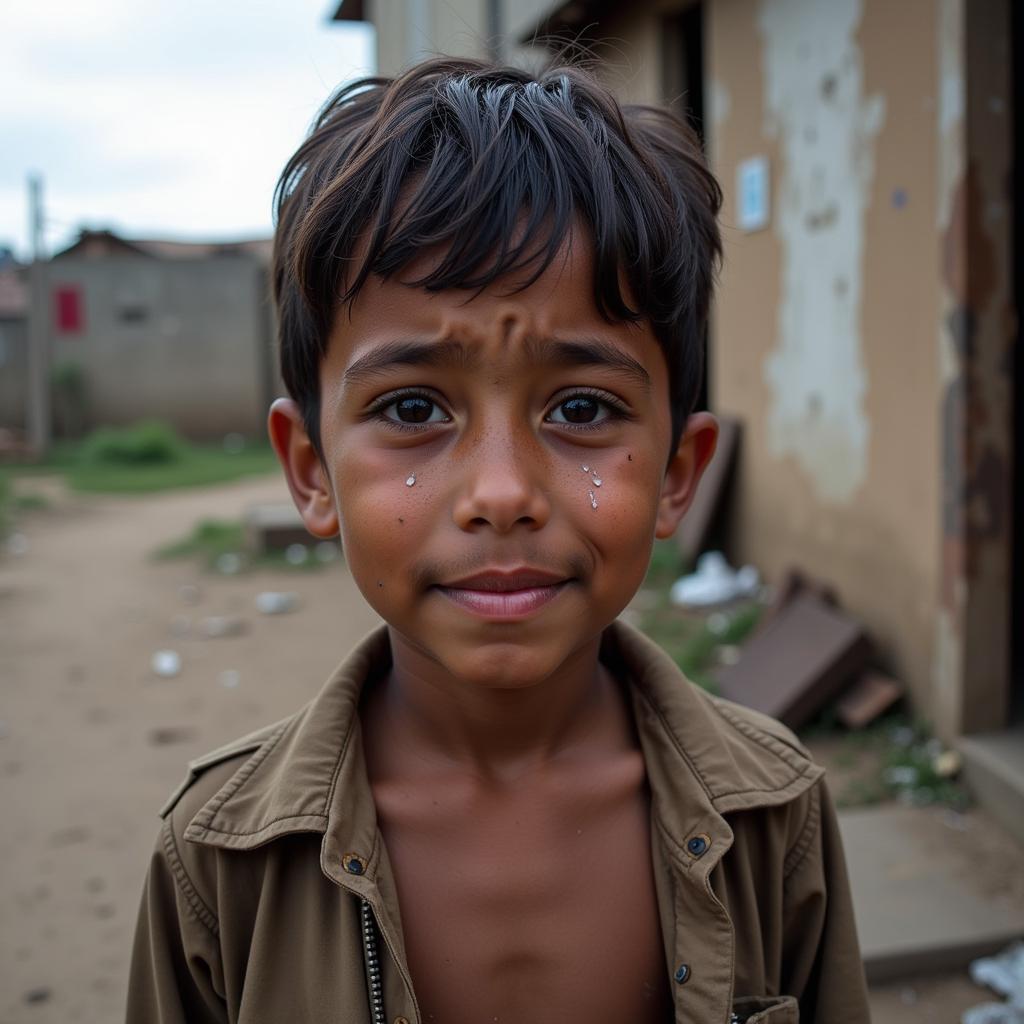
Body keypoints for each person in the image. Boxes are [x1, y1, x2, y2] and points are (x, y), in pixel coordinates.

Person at [127, 57, 870, 1024]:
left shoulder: (777, 818)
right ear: (311, 469)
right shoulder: (219, 862)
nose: (503, 493)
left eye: (583, 407)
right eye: (410, 407)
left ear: (677, 474)